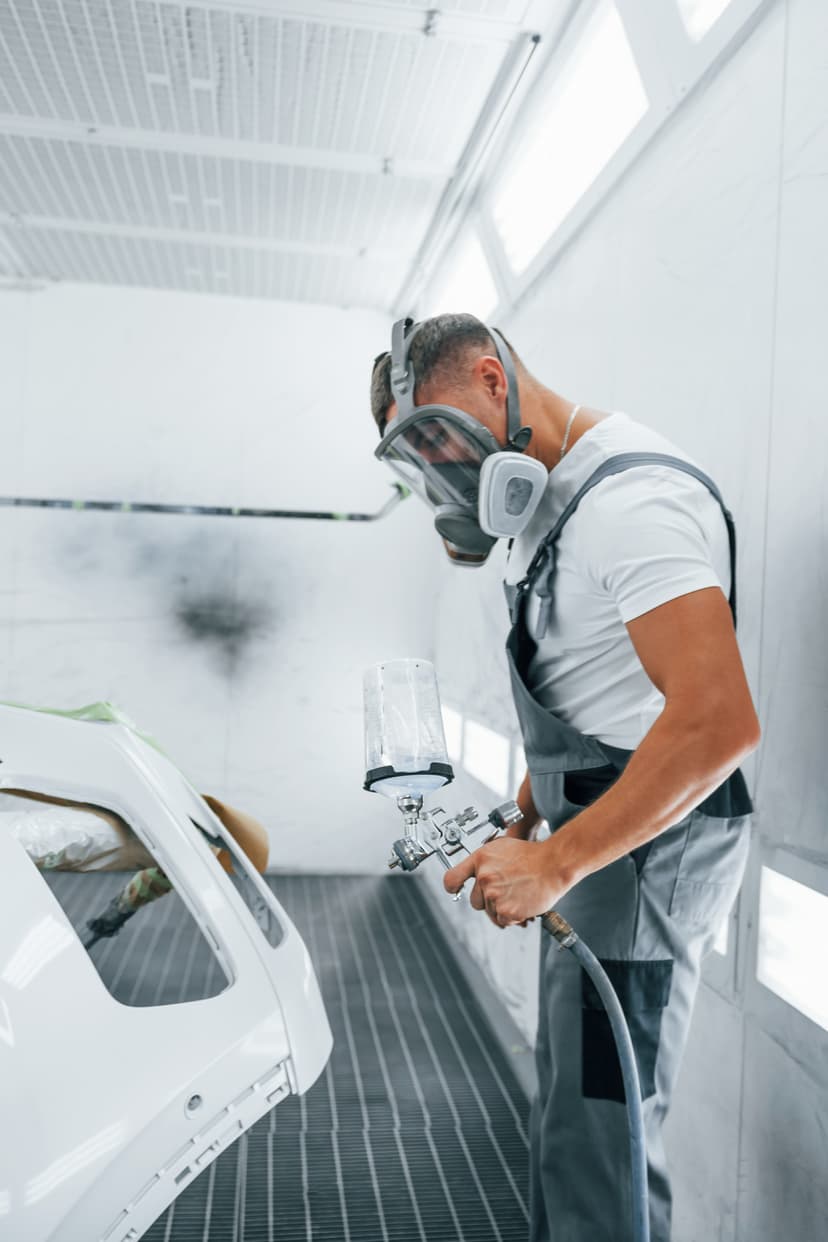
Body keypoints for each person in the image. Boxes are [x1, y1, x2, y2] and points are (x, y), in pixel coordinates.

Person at [369, 313, 760, 1242]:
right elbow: (600, 693)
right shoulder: (555, 500)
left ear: (492, 379)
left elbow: (718, 724)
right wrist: (529, 810)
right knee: (570, 1114)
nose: (444, 473)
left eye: (441, 437)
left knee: (602, 1133)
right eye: (420, 458)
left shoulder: (633, 504)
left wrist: (556, 862)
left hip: (646, 851)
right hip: (598, 833)